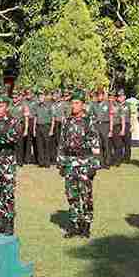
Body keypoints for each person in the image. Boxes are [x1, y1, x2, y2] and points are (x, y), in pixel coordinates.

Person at [57, 90, 101, 239]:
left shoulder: (89, 121)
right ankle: (74, 224)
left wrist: (94, 165)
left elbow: (95, 143)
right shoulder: (67, 121)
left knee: (86, 195)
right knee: (72, 195)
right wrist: (61, 163)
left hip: (84, 162)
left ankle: (86, 225)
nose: (74, 106)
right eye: (72, 103)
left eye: (77, 103)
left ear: (83, 105)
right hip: (70, 162)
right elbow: (62, 143)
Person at [0, 95, 23, 236]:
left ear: (6, 107)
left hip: (7, 162)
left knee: (8, 194)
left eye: (2, 106)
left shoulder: (13, 121)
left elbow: (14, 137)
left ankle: (9, 224)